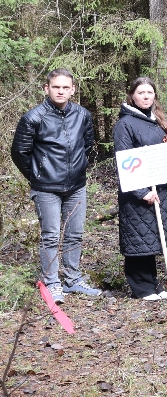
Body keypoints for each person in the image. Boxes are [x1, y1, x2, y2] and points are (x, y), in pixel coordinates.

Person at [11, 68, 100, 303]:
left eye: (65, 87)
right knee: (50, 236)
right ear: (46, 88)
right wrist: (39, 175)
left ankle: (73, 279)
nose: (60, 91)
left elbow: (87, 145)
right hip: (46, 188)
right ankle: (52, 283)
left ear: (72, 90)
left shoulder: (82, 115)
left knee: (75, 234)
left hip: (76, 186)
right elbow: (19, 152)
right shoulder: (34, 117)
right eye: (56, 87)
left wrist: (79, 169)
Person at [113, 77, 167, 301]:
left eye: (149, 93)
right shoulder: (125, 124)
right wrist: (141, 191)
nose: (145, 96)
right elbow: (124, 161)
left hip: (161, 189)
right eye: (141, 93)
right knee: (139, 239)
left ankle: (153, 282)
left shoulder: (156, 120)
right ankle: (141, 287)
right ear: (132, 96)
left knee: (151, 238)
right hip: (139, 192)